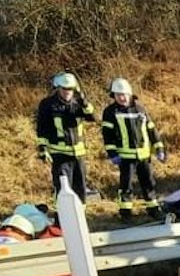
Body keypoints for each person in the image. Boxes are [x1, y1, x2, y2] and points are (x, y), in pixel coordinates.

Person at [100, 78, 166, 222]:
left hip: (144, 155)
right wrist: (112, 153)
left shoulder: (140, 109)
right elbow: (107, 135)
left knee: (148, 182)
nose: (121, 98)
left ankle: (153, 208)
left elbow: (151, 130)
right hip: (125, 157)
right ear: (114, 96)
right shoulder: (110, 112)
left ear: (130, 94)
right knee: (126, 185)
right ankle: (125, 212)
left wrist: (159, 148)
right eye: (118, 95)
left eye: (123, 94)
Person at [35, 73, 95, 203]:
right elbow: (42, 127)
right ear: (58, 88)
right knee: (62, 187)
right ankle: (60, 217)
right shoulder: (48, 104)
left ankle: (80, 216)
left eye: (70, 89)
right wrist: (42, 148)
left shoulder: (78, 104)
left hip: (78, 155)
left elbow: (92, 117)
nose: (67, 92)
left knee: (80, 188)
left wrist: (83, 101)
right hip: (59, 155)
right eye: (64, 89)